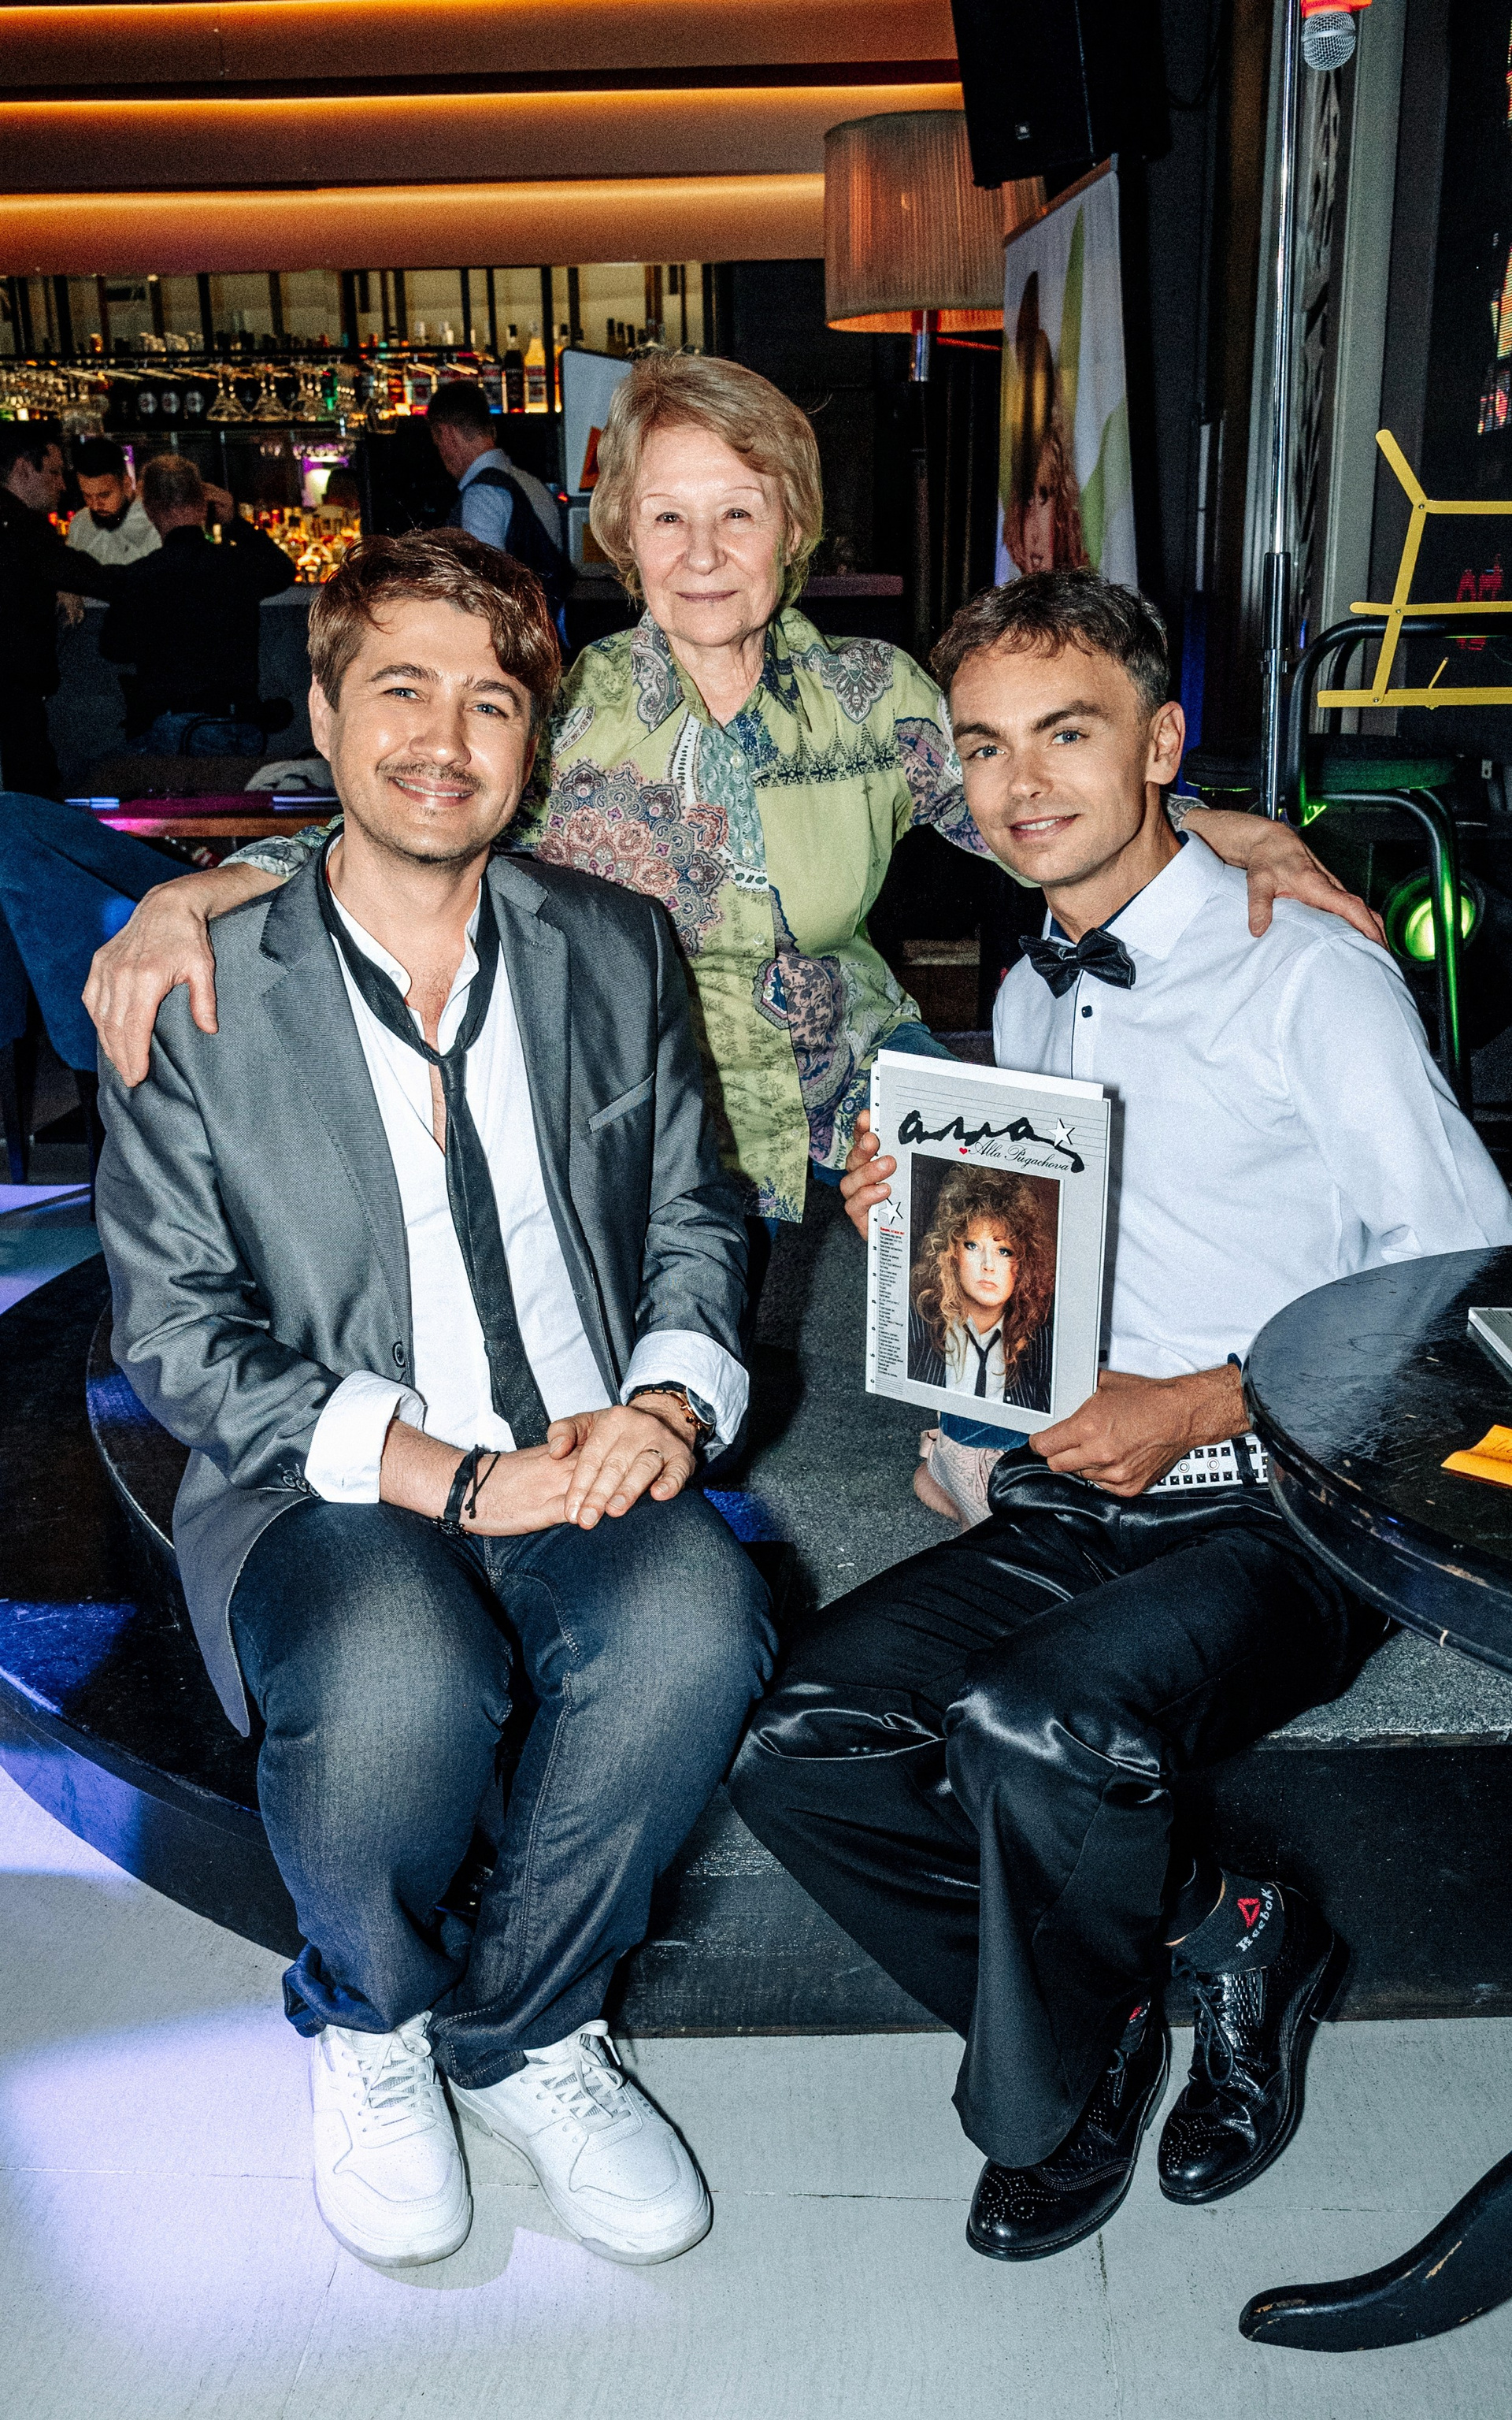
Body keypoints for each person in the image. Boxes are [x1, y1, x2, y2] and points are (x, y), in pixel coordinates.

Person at [728, 570, 1512, 2266]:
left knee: (1032, 1723)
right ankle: (1220, 1937)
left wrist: (1214, 1395)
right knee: (802, 1739)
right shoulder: (1029, 993)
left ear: (1162, 746)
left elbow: (1465, 1285)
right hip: (1079, 1489)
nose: (1020, 785)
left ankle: (1057, 2093)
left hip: (1292, 1508)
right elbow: (1054, 1266)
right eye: (984, 747)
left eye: (1065, 735)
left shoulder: (1310, 979)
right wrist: (923, 1224)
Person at [93, 527, 773, 2272]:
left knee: (697, 1622)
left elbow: (696, 1213)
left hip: (579, 1438)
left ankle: (530, 2029)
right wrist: (446, 1480)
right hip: (322, 1476)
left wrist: (667, 1405)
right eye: (399, 689)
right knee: (400, 1669)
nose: (444, 739)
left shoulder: (614, 946)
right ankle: (372, 2012)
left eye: (490, 702)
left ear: (531, 742)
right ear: (323, 716)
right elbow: (175, 1328)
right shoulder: (197, 985)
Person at [83, 355, 1382, 1245]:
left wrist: (1243, 833)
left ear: (792, 528)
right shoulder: (562, 708)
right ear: (624, 537)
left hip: (860, 1081)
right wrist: (187, 897)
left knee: (1012, 1329)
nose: (703, 556)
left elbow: (1046, 808)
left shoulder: (876, 695)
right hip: (633, 1102)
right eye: (668, 520)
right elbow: (396, 832)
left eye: (739, 516)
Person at [97, 451, 295, 756]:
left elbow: (114, 648)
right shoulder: (237, 566)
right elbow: (282, 570)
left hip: (170, 725)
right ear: (204, 505)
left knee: (101, 773)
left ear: (149, 510)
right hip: (240, 721)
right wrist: (234, 523)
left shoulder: (141, 576)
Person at [0, 420, 134, 799]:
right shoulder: (22, 526)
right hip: (14, 695)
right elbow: (87, 575)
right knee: (31, 800)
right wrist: (165, 572)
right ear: (23, 469)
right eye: (55, 472)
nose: (63, 485)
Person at [906, 1164, 1054, 1412]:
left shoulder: (1046, 1347)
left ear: (1023, 1264)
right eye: (973, 1246)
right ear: (952, 1252)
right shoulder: (914, 1326)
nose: (988, 1265)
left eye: (1004, 1251)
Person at [426, 379, 569, 614]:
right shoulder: (532, 484)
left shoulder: (481, 496)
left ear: (447, 434)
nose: (441, 454)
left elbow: (483, 596)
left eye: (437, 443)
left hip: (513, 632)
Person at [65, 438, 161, 567]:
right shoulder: (80, 524)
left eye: (104, 495)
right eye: (87, 495)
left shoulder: (154, 525)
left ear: (126, 485)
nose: (95, 505)